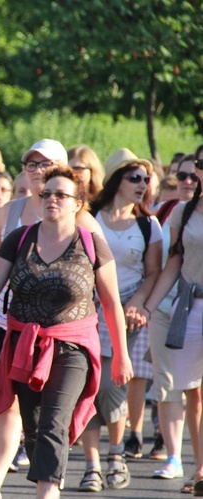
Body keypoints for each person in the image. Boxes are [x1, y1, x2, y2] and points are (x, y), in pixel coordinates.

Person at [0, 165, 133, 499]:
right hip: (24, 344)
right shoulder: (20, 239)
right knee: (32, 426)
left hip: (73, 347)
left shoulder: (91, 243)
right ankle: (47, 480)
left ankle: (47, 492)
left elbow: (110, 304)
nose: (52, 200)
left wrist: (121, 356)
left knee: (54, 420)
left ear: (78, 203)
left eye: (61, 195)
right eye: (47, 193)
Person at [77, 148, 161, 492]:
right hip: (86, 311)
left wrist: (139, 302)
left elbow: (154, 272)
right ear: (116, 180)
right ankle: (93, 464)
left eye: (146, 179)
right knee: (86, 386)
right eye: (134, 177)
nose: (143, 184)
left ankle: (117, 453)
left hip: (126, 313)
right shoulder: (88, 216)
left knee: (114, 385)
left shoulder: (147, 223)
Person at [142, 150, 203, 496]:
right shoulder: (184, 210)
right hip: (192, 305)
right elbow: (173, 263)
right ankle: (198, 468)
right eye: (201, 165)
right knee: (191, 391)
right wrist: (149, 307)